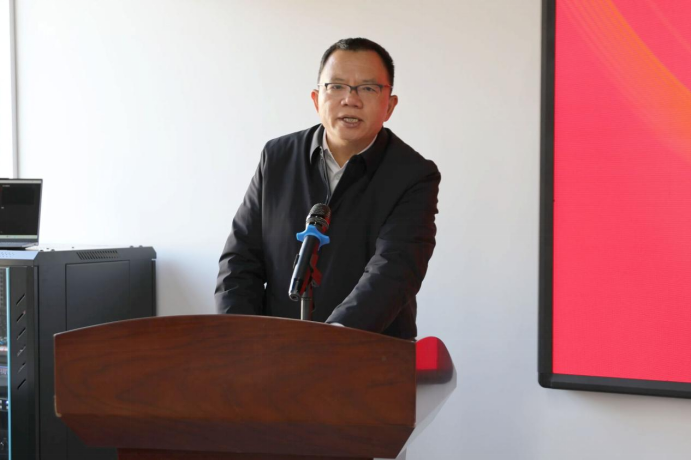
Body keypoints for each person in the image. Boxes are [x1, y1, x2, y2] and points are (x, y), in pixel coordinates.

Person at [215, 38, 440, 339]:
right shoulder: (277, 157)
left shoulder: (413, 175)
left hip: (370, 350)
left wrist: (331, 342)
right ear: (316, 99)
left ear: (390, 105)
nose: (351, 99)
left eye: (368, 88)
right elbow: (240, 259)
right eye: (336, 86)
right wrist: (239, 337)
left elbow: (395, 270)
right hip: (274, 349)